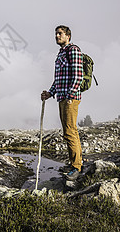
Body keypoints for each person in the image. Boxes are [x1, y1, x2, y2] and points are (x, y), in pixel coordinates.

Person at [41, 25, 83, 181]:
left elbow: (78, 75)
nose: (57, 36)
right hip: (62, 97)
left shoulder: (73, 50)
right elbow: (58, 78)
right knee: (69, 131)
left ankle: (76, 167)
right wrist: (50, 93)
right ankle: (75, 163)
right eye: (56, 34)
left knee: (70, 131)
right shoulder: (61, 53)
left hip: (70, 98)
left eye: (60, 34)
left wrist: (71, 94)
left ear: (68, 36)